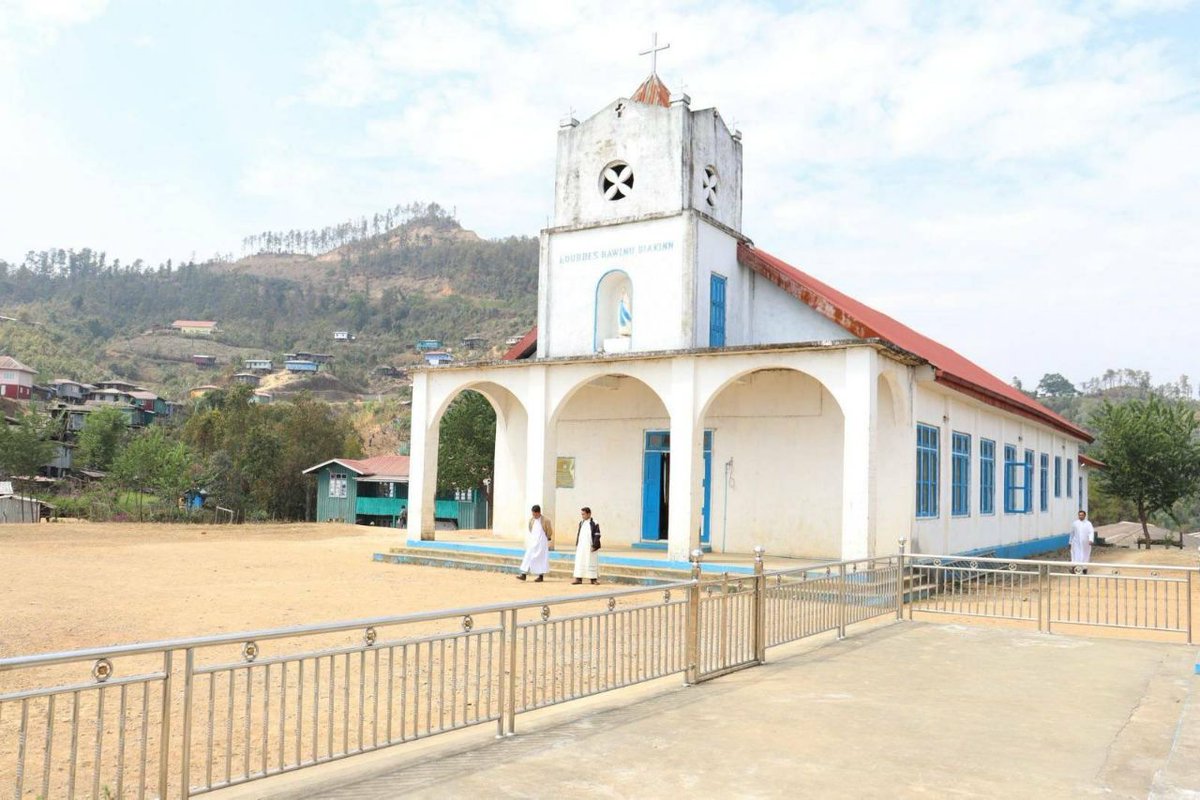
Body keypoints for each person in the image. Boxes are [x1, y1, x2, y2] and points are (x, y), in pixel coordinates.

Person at [517, 504, 553, 582]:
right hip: (533, 541)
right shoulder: (531, 520)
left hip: (542, 542)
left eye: (534, 514)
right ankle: (523, 574)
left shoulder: (546, 520)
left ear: (538, 512)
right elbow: (530, 529)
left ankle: (540, 576)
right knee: (528, 556)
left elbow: (549, 531)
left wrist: (547, 539)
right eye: (532, 514)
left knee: (541, 558)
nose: (533, 515)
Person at [571, 507, 601, 585]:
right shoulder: (581, 523)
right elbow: (579, 534)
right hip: (581, 546)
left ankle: (593, 579)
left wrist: (594, 545)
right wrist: (577, 544)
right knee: (580, 561)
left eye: (583, 514)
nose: (582, 516)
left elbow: (597, 535)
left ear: (589, 514)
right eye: (582, 514)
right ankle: (578, 579)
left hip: (590, 546)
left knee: (591, 561)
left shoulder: (594, 522)